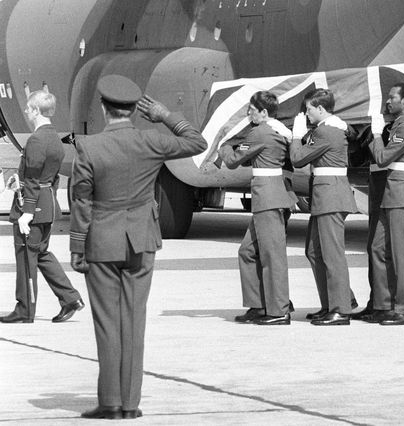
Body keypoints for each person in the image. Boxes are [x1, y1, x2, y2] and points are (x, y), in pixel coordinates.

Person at [70, 75, 207, 419]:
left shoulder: (89, 147)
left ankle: (110, 402)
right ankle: (130, 404)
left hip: (102, 240)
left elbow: (82, 201)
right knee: (134, 321)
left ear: (104, 109)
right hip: (142, 239)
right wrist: (165, 115)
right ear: (134, 111)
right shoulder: (152, 141)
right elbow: (197, 141)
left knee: (107, 323)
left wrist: (77, 245)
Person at [1, 90, 84, 324]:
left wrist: (27, 212)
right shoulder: (55, 140)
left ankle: (25, 308)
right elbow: (50, 177)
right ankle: (70, 298)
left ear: (36, 110)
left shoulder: (36, 140)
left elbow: (35, 178)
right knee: (40, 253)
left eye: (28, 108)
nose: (26, 112)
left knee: (26, 255)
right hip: (45, 202)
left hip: (33, 205)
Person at [218, 91, 296, 326]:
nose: (247, 113)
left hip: (268, 197)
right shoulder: (272, 130)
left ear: (264, 112)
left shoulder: (261, 132)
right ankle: (259, 304)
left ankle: (279, 310)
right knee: (247, 252)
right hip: (270, 196)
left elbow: (232, 161)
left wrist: (223, 143)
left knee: (273, 257)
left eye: (252, 109)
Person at [289, 89, 358, 326]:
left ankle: (341, 309)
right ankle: (331, 303)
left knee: (332, 254)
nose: (306, 113)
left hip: (331, 196)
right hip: (324, 195)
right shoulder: (327, 129)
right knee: (314, 251)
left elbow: (298, 158)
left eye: (308, 109)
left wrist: (296, 135)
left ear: (321, 109)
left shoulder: (327, 131)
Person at [367, 83, 404, 325]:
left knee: (400, 252)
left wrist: (375, 135)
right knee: (378, 248)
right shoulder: (400, 124)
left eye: (392, 97)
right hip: (393, 193)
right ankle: (383, 305)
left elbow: (382, 158)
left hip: (403, 193)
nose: (388, 102)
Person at [351, 123, 393, 323]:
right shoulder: (372, 127)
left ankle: (385, 303)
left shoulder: (395, 128)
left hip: (388, 184)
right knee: (373, 248)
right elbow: (357, 159)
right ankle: (376, 301)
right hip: (375, 184)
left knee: (382, 248)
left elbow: (383, 157)